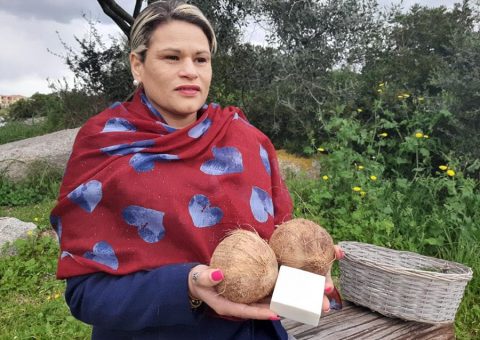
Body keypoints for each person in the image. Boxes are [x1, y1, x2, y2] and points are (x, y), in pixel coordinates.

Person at [50, 1, 343, 339]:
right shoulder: (104, 147)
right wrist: (188, 286)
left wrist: (307, 273)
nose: (190, 70)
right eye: (172, 57)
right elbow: (85, 295)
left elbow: (273, 263)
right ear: (137, 64)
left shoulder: (247, 142)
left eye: (201, 59)